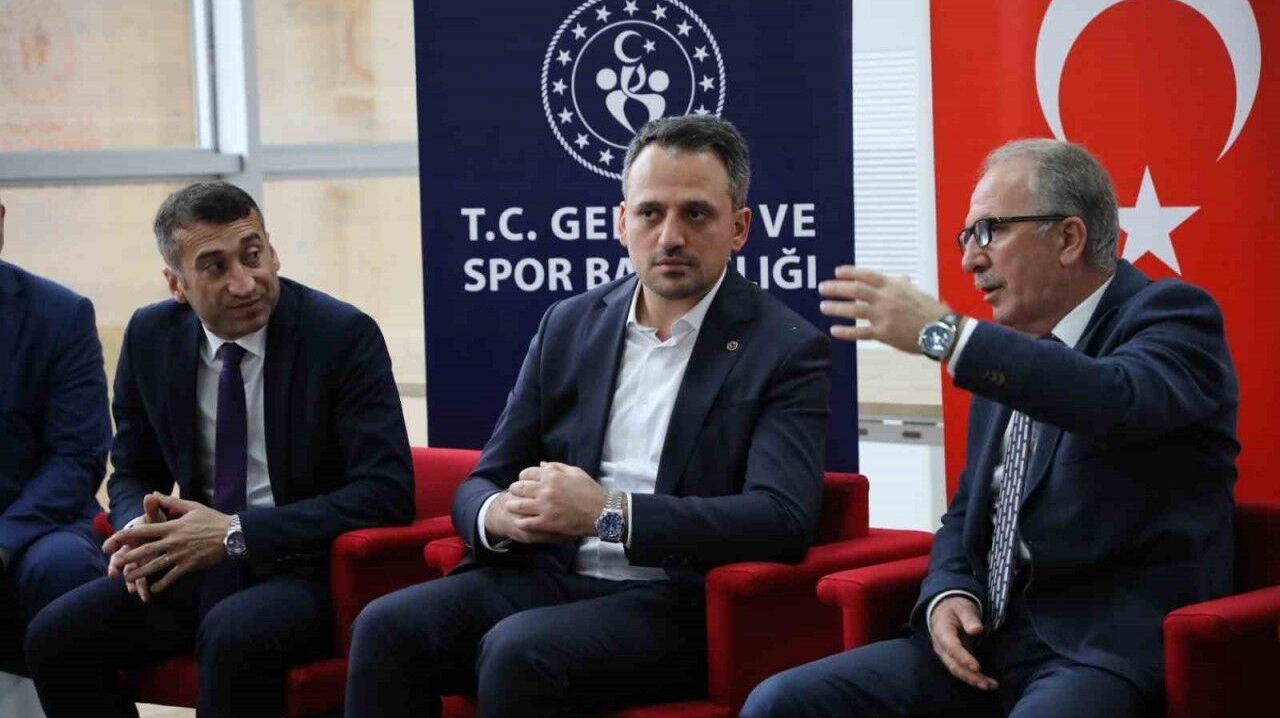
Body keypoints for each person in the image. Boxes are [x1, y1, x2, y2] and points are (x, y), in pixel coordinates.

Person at [343, 115, 832, 717]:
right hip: (545, 574)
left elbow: (781, 518)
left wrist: (609, 514)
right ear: (622, 223)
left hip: (672, 600)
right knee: (385, 627)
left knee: (519, 652)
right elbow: (482, 480)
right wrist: (501, 515)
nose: (670, 236)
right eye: (650, 213)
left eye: (696, 214)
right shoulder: (570, 323)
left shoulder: (784, 348)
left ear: (739, 228)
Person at [742, 138, 1238, 717]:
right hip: (986, 646)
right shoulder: (1004, 357)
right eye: (966, 238)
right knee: (780, 702)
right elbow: (965, 518)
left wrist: (947, 336)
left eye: (989, 231)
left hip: (1096, 651)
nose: (970, 261)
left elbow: (1114, 399)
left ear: (1069, 238)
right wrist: (947, 593)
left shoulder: (1172, 317)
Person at [24, 182, 416, 717]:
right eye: (215, 267)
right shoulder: (150, 336)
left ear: (272, 251)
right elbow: (133, 469)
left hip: (306, 564)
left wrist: (236, 533)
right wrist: (139, 529)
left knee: (233, 634)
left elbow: (386, 493)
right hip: (194, 559)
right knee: (55, 635)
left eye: (253, 255)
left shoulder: (341, 335)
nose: (244, 282)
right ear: (177, 284)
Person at [0, 192, 112, 675]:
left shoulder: (60, 314)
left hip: (32, 523)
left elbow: (78, 455)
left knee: (65, 565)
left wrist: (3, 540)